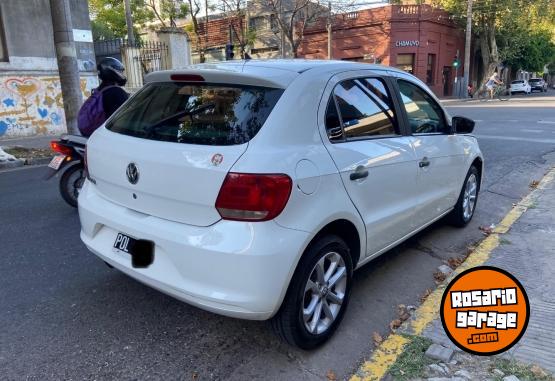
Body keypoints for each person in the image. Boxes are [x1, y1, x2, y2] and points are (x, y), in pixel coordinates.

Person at [78, 57, 129, 137]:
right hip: (111, 138)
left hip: (97, 136)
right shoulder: (117, 93)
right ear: (112, 71)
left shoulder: (99, 90)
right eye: (120, 71)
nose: (122, 74)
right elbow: (124, 120)